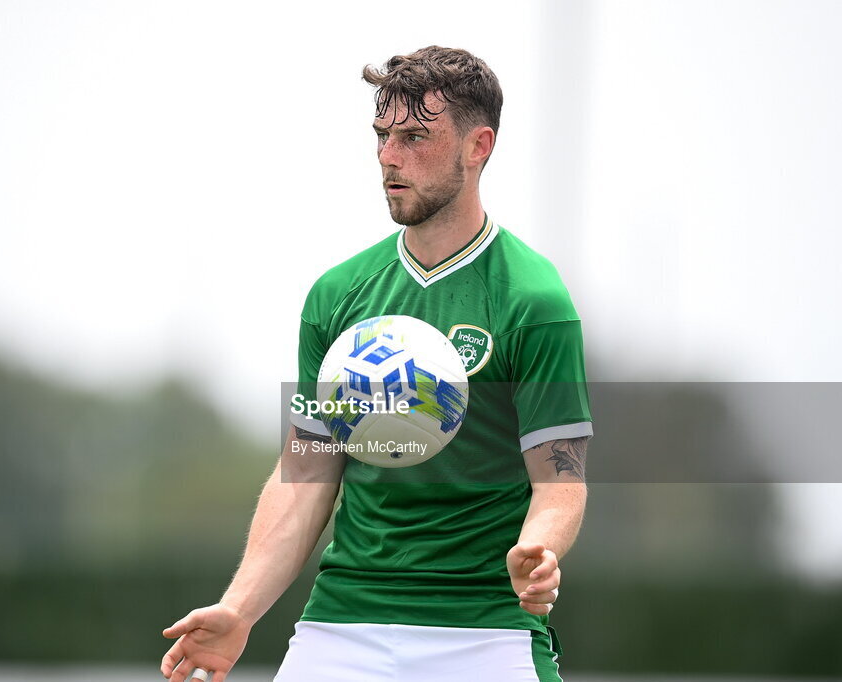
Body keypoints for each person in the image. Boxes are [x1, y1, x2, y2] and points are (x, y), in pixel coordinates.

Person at [161, 45, 592, 682]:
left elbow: (560, 480)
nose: (390, 156)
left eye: (416, 136)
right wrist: (240, 609)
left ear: (479, 147)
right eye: (382, 135)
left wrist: (542, 549)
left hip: (485, 636)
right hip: (342, 628)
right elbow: (307, 468)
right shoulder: (336, 296)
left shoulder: (534, 301)